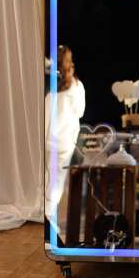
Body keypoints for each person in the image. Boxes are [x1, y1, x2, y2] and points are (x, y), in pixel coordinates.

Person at [45, 45, 85, 226]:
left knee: (45, 179)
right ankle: (48, 218)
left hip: (46, 136)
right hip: (64, 140)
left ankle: (45, 217)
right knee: (56, 181)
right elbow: (80, 111)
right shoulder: (76, 86)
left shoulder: (49, 83)